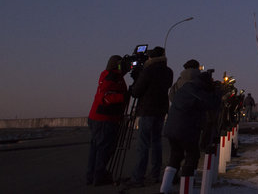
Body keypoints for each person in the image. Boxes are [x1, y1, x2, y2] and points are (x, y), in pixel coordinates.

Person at [159, 71, 220, 193]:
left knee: (175, 156)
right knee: (192, 155)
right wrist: (217, 91)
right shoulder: (197, 91)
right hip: (186, 129)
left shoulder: (186, 87)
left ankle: (165, 188)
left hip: (172, 128)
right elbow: (212, 104)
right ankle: (187, 185)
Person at [126, 46, 173, 187]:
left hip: (147, 110)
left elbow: (136, 91)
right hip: (160, 110)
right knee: (156, 143)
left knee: (143, 145)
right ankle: (155, 175)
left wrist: (137, 78)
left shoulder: (148, 70)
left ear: (151, 57)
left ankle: (138, 177)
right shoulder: (168, 71)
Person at [86, 55, 128, 186]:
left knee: (96, 148)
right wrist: (123, 97)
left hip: (99, 117)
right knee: (104, 148)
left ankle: (92, 176)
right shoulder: (112, 76)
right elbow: (105, 97)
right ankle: (98, 176)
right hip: (105, 118)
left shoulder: (109, 75)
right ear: (118, 65)